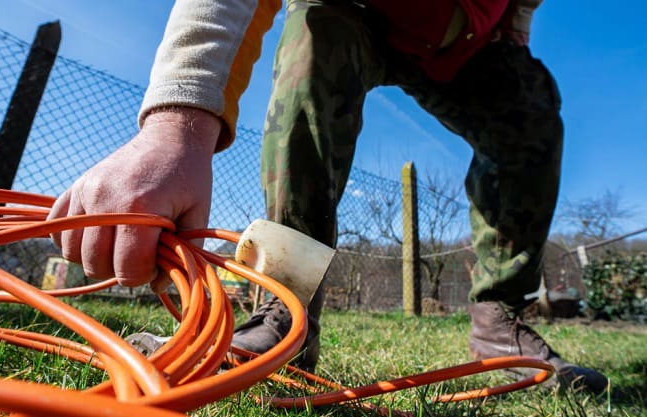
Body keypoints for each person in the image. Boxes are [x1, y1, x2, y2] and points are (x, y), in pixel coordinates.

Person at [48, 0, 608, 393]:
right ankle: (283, 316)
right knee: (316, 39)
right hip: (351, 11)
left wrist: (515, 23)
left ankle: (498, 326)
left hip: (460, 41)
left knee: (530, 110)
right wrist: (176, 122)